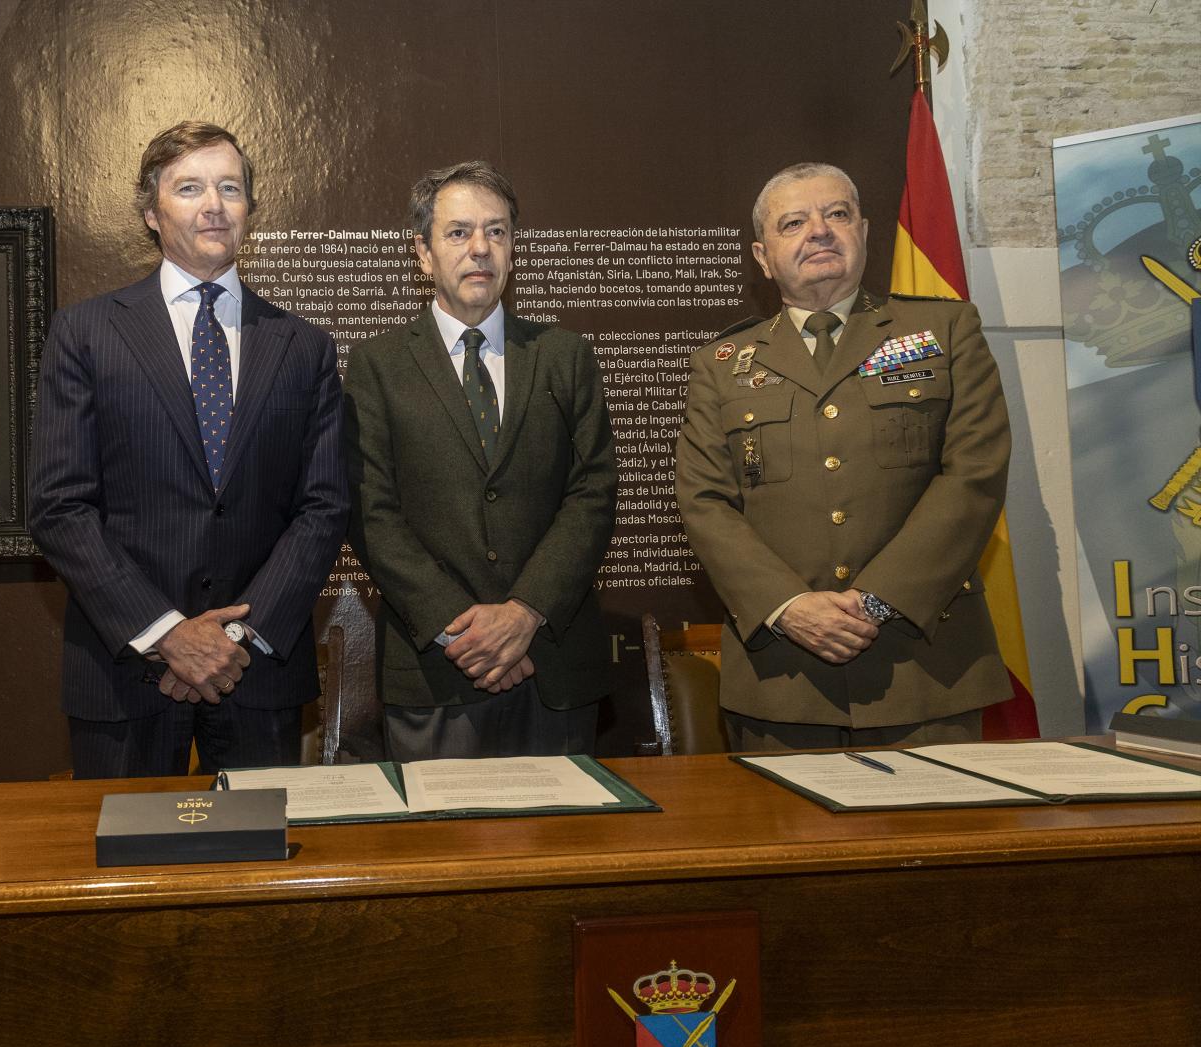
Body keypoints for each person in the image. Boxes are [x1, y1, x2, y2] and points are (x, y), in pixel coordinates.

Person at [28, 121, 347, 779]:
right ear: (151, 212)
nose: (214, 204)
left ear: (249, 211)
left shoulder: (304, 348)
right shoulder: (85, 334)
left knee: (260, 872)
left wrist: (231, 641)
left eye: (230, 188)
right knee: (129, 875)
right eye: (190, 187)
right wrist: (168, 634)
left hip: (256, 674)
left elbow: (323, 508)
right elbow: (59, 507)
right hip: (124, 674)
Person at [675, 162, 1013, 751]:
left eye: (836, 214)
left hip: (925, 672)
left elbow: (975, 476)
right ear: (763, 255)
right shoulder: (721, 363)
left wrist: (879, 600)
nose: (820, 231)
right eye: (794, 222)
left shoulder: (945, 329)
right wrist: (790, 607)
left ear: (864, 230)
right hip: (782, 679)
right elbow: (705, 502)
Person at [343, 160, 617, 761]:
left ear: (514, 249)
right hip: (436, 671)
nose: (480, 249)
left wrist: (524, 614)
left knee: (563, 847)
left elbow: (593, 494)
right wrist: (462, 628)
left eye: (496, 232)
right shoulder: (377, 367)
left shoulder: (564, 356)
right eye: (459, 232)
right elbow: (371, 513)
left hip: (553, 665)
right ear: (423, 252)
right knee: (440, 848)